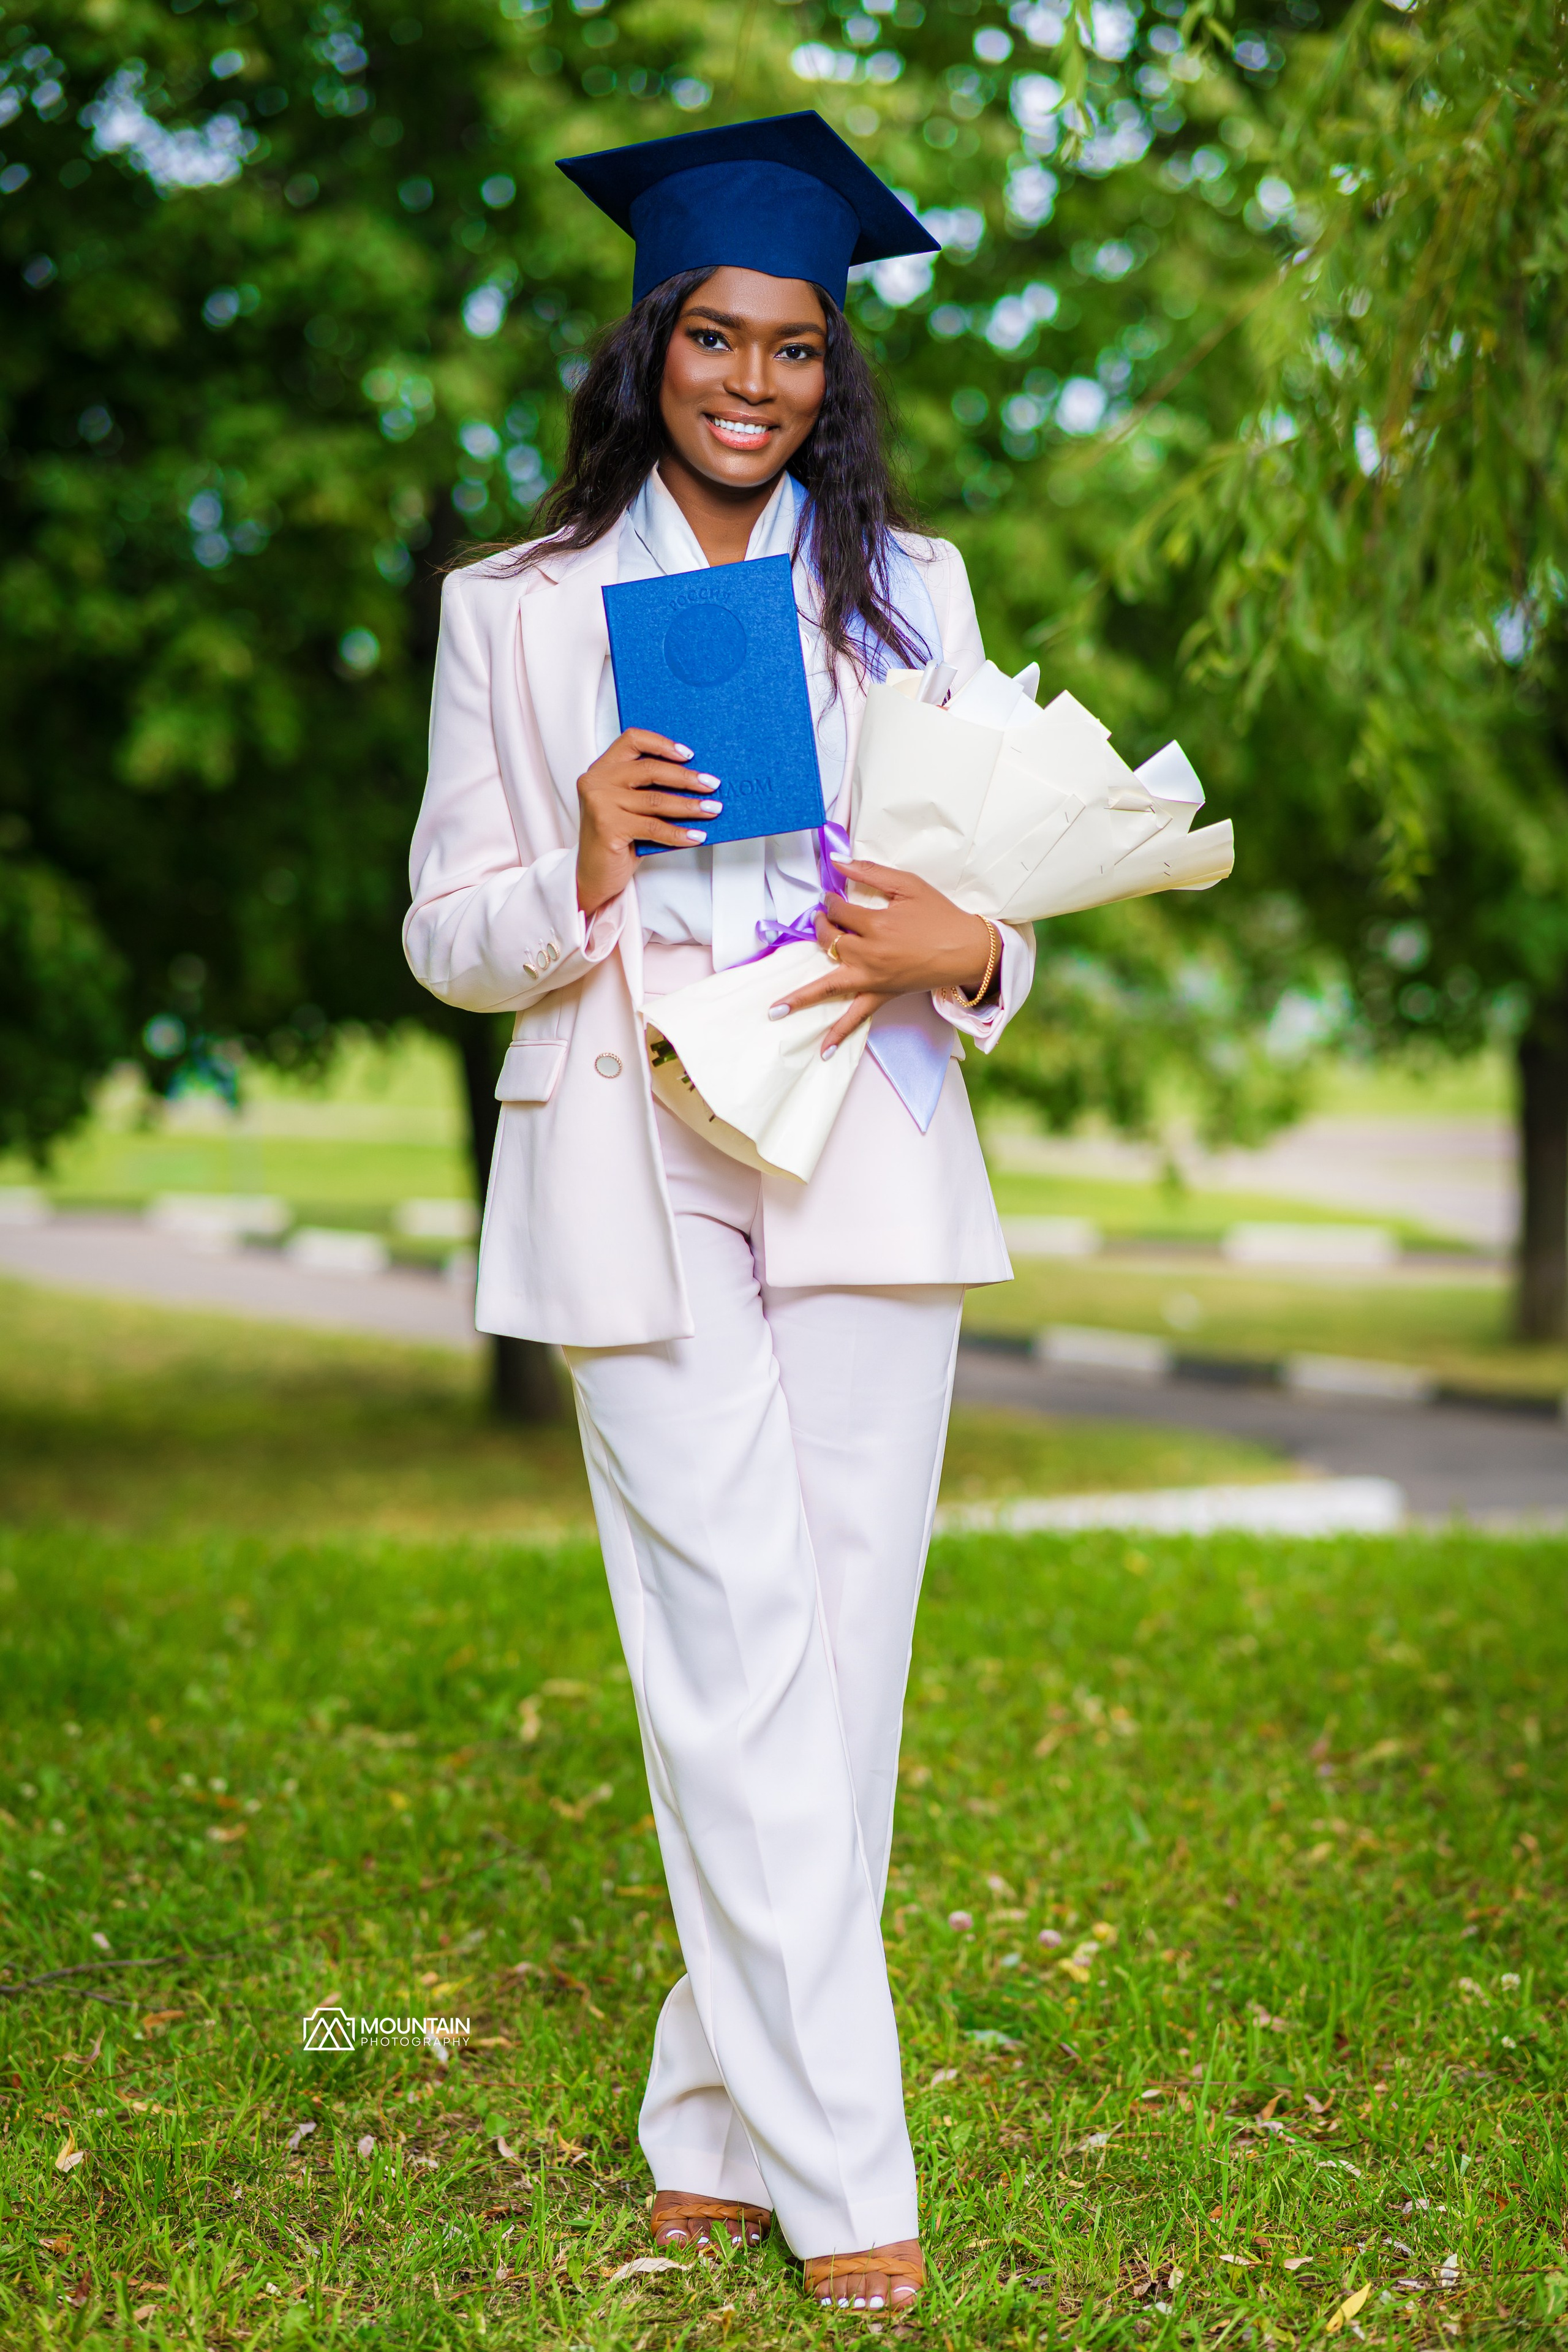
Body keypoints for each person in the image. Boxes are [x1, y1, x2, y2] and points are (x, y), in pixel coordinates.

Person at [404, 110, 1036, 2314]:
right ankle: (846, 2172)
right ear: (649, 347)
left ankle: (707, 2110)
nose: (749, 383)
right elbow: (443, 936)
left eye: (791, 349)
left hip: (863, 1133)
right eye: (711, 340)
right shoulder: (514, 610)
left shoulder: (915, 594)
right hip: (627, 1149)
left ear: (830, 370)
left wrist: (960, 951)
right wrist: (581, 850)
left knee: (836, 1674)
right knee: (728, 1651)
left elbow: (995, 880)